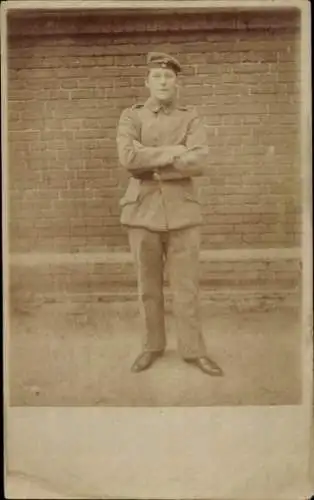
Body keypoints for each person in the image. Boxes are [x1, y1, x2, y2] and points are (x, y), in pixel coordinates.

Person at [116, 52, 223, 376]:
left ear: (177, 83)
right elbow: (128, 159)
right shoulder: (131, 117)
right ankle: (152, 346)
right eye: (157, 77)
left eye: (169, 77)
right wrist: (176, 152)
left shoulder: (191, 118)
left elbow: (201, 161)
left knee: (186, 286)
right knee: (148, 287)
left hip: (183, 213)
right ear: (147, 82)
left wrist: (153, 161)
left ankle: (193, 350)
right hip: (142, 213)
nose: (163, 82)